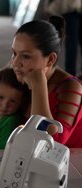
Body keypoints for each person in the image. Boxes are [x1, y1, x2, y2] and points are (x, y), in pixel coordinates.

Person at [11, 16, 82, 147]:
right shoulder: (22, 74)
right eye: (14, 53)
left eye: (25, 56)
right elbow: (1, 115)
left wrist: (39, 85)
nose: (15, 63)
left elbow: (51, 145)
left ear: (50, 60)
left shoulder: (70, 87)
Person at [44, 0, 82, 76]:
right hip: (72, 8)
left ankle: (70, 74)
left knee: (71, 43)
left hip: (72, 8)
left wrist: (47, 6)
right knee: (71, 43)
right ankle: (70, 74)